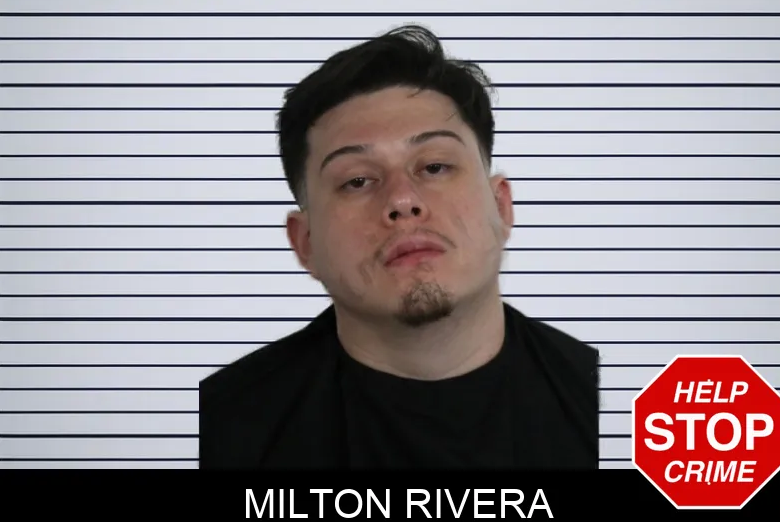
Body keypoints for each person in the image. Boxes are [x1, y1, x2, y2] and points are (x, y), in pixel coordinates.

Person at [199, 25, 599, 469]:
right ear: (305, 243)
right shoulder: (214, 432)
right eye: (357, 180)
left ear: (501, 206)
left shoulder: (626, 405)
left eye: (434, 166)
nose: (402, 201)